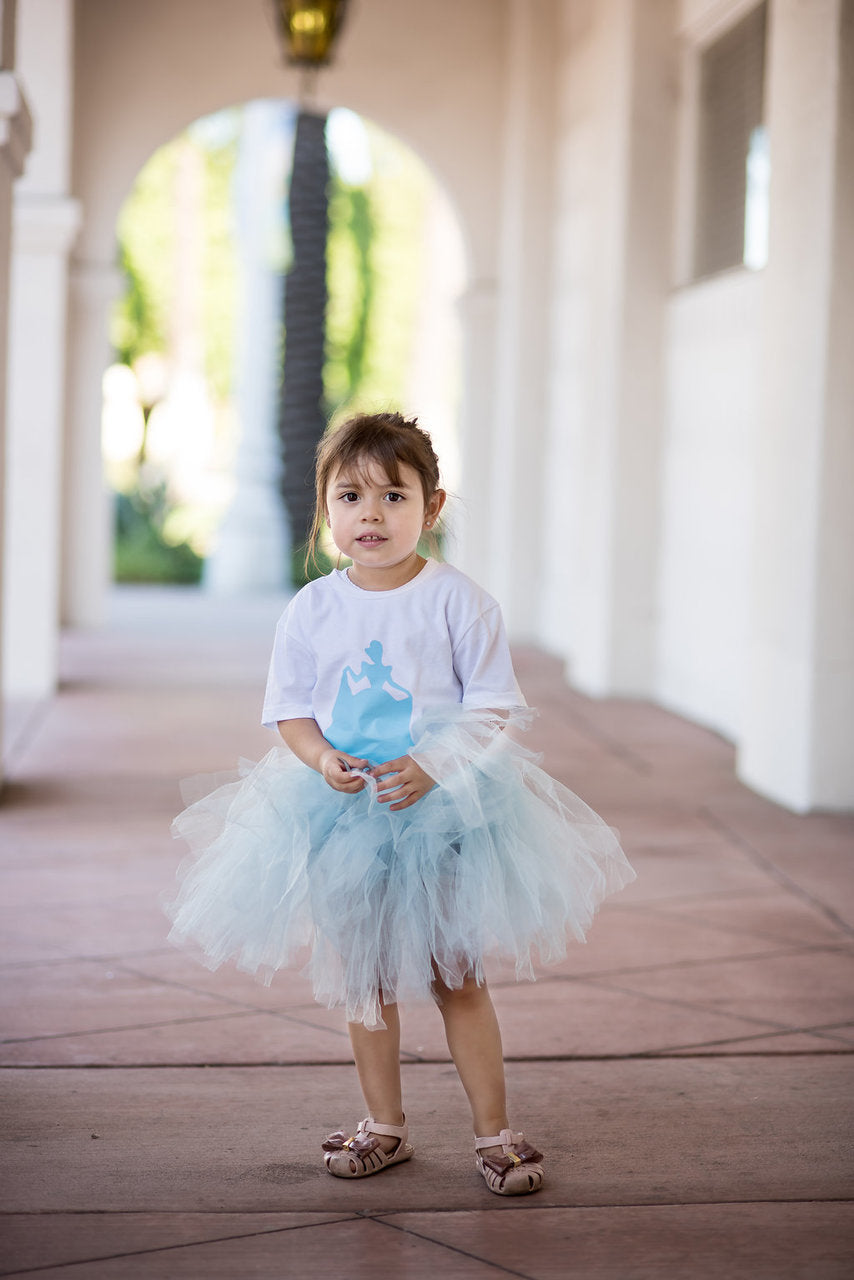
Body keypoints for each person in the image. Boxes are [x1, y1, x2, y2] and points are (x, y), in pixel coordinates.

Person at [167, 411, 635, 1196]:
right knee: (365, 976)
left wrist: (429, 766)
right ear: (326, 509)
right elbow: (290, 711)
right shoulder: (313, 609)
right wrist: (321, 760)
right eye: (350, 497)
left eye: (393, 496)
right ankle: (384, 1125)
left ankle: (495, 1131)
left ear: (433, 506)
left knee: (457, 976)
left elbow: (492, 708)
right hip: (344, 815)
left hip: (444, 813)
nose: (371, 515)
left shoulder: (460, 602)